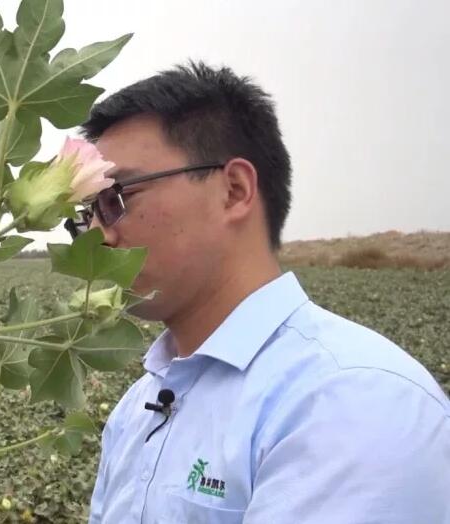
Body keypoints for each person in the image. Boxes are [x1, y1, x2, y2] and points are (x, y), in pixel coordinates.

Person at [67, 62, 450, 523]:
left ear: (234, 189)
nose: (97, 235)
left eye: (115, 199)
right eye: (87, 213)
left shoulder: (353, 404)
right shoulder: (135, 411)